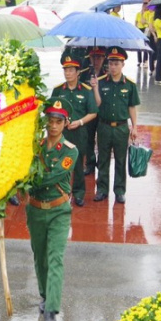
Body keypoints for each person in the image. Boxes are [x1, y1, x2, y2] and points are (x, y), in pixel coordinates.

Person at [26, 100, 79, 321]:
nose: (54, 125)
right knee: (40, 256)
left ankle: (52, 309)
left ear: (66, 123)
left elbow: (52, 177)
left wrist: (25, 181)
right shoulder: (34, 147)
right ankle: (45, 296)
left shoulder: (70, 151)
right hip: (36, 210)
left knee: (55, 257)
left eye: (59, 121)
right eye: (50, 120)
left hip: (59, 211)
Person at [49, 52, 99, 206]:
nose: (67, 73)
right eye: (65, 70)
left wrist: (80, 122)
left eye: (71, 70)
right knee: (58, 162)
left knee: (77, 165)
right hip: (61, 133)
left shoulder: (85, 90)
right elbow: (50, 110)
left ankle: (78, 193)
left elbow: (93, 112)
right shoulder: (58, 90)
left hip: (78, 132)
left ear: (78, 73)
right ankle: (60, 191)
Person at [94, 46, 140, 205]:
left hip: (121, 128)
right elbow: (97, 104)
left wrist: (134, 127)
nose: (113, 67)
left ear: (123, 64)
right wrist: (94, 88)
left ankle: (120, 191)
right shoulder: (100, 83)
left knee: (121, 160)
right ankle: (102, 190)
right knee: (103, 159)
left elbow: (132, 107)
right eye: (111, 63)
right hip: (104, 126)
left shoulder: (129, 85)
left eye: (116, 64)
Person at [85, 46, 108, 175]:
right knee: (89, 138)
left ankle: (101, 161)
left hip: (103, 111)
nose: (96, 60)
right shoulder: (84, 73)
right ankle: (90, 163)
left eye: (99, 57)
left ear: (104, 58)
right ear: (89, 57)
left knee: (103, 140)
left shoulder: (108, 74)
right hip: (89, 111)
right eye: (94, 57)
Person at [135, 3, 153, 70]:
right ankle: (139, 61)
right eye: (144, 6)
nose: (145, 7)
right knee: (139, 46)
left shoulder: (147, 13)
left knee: (145, 45)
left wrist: (145, 20)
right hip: (139, 29)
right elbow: (136, 22)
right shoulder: (138, 14)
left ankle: (145, 60)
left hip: (145, 29)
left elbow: (144, 22)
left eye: (146, 6)